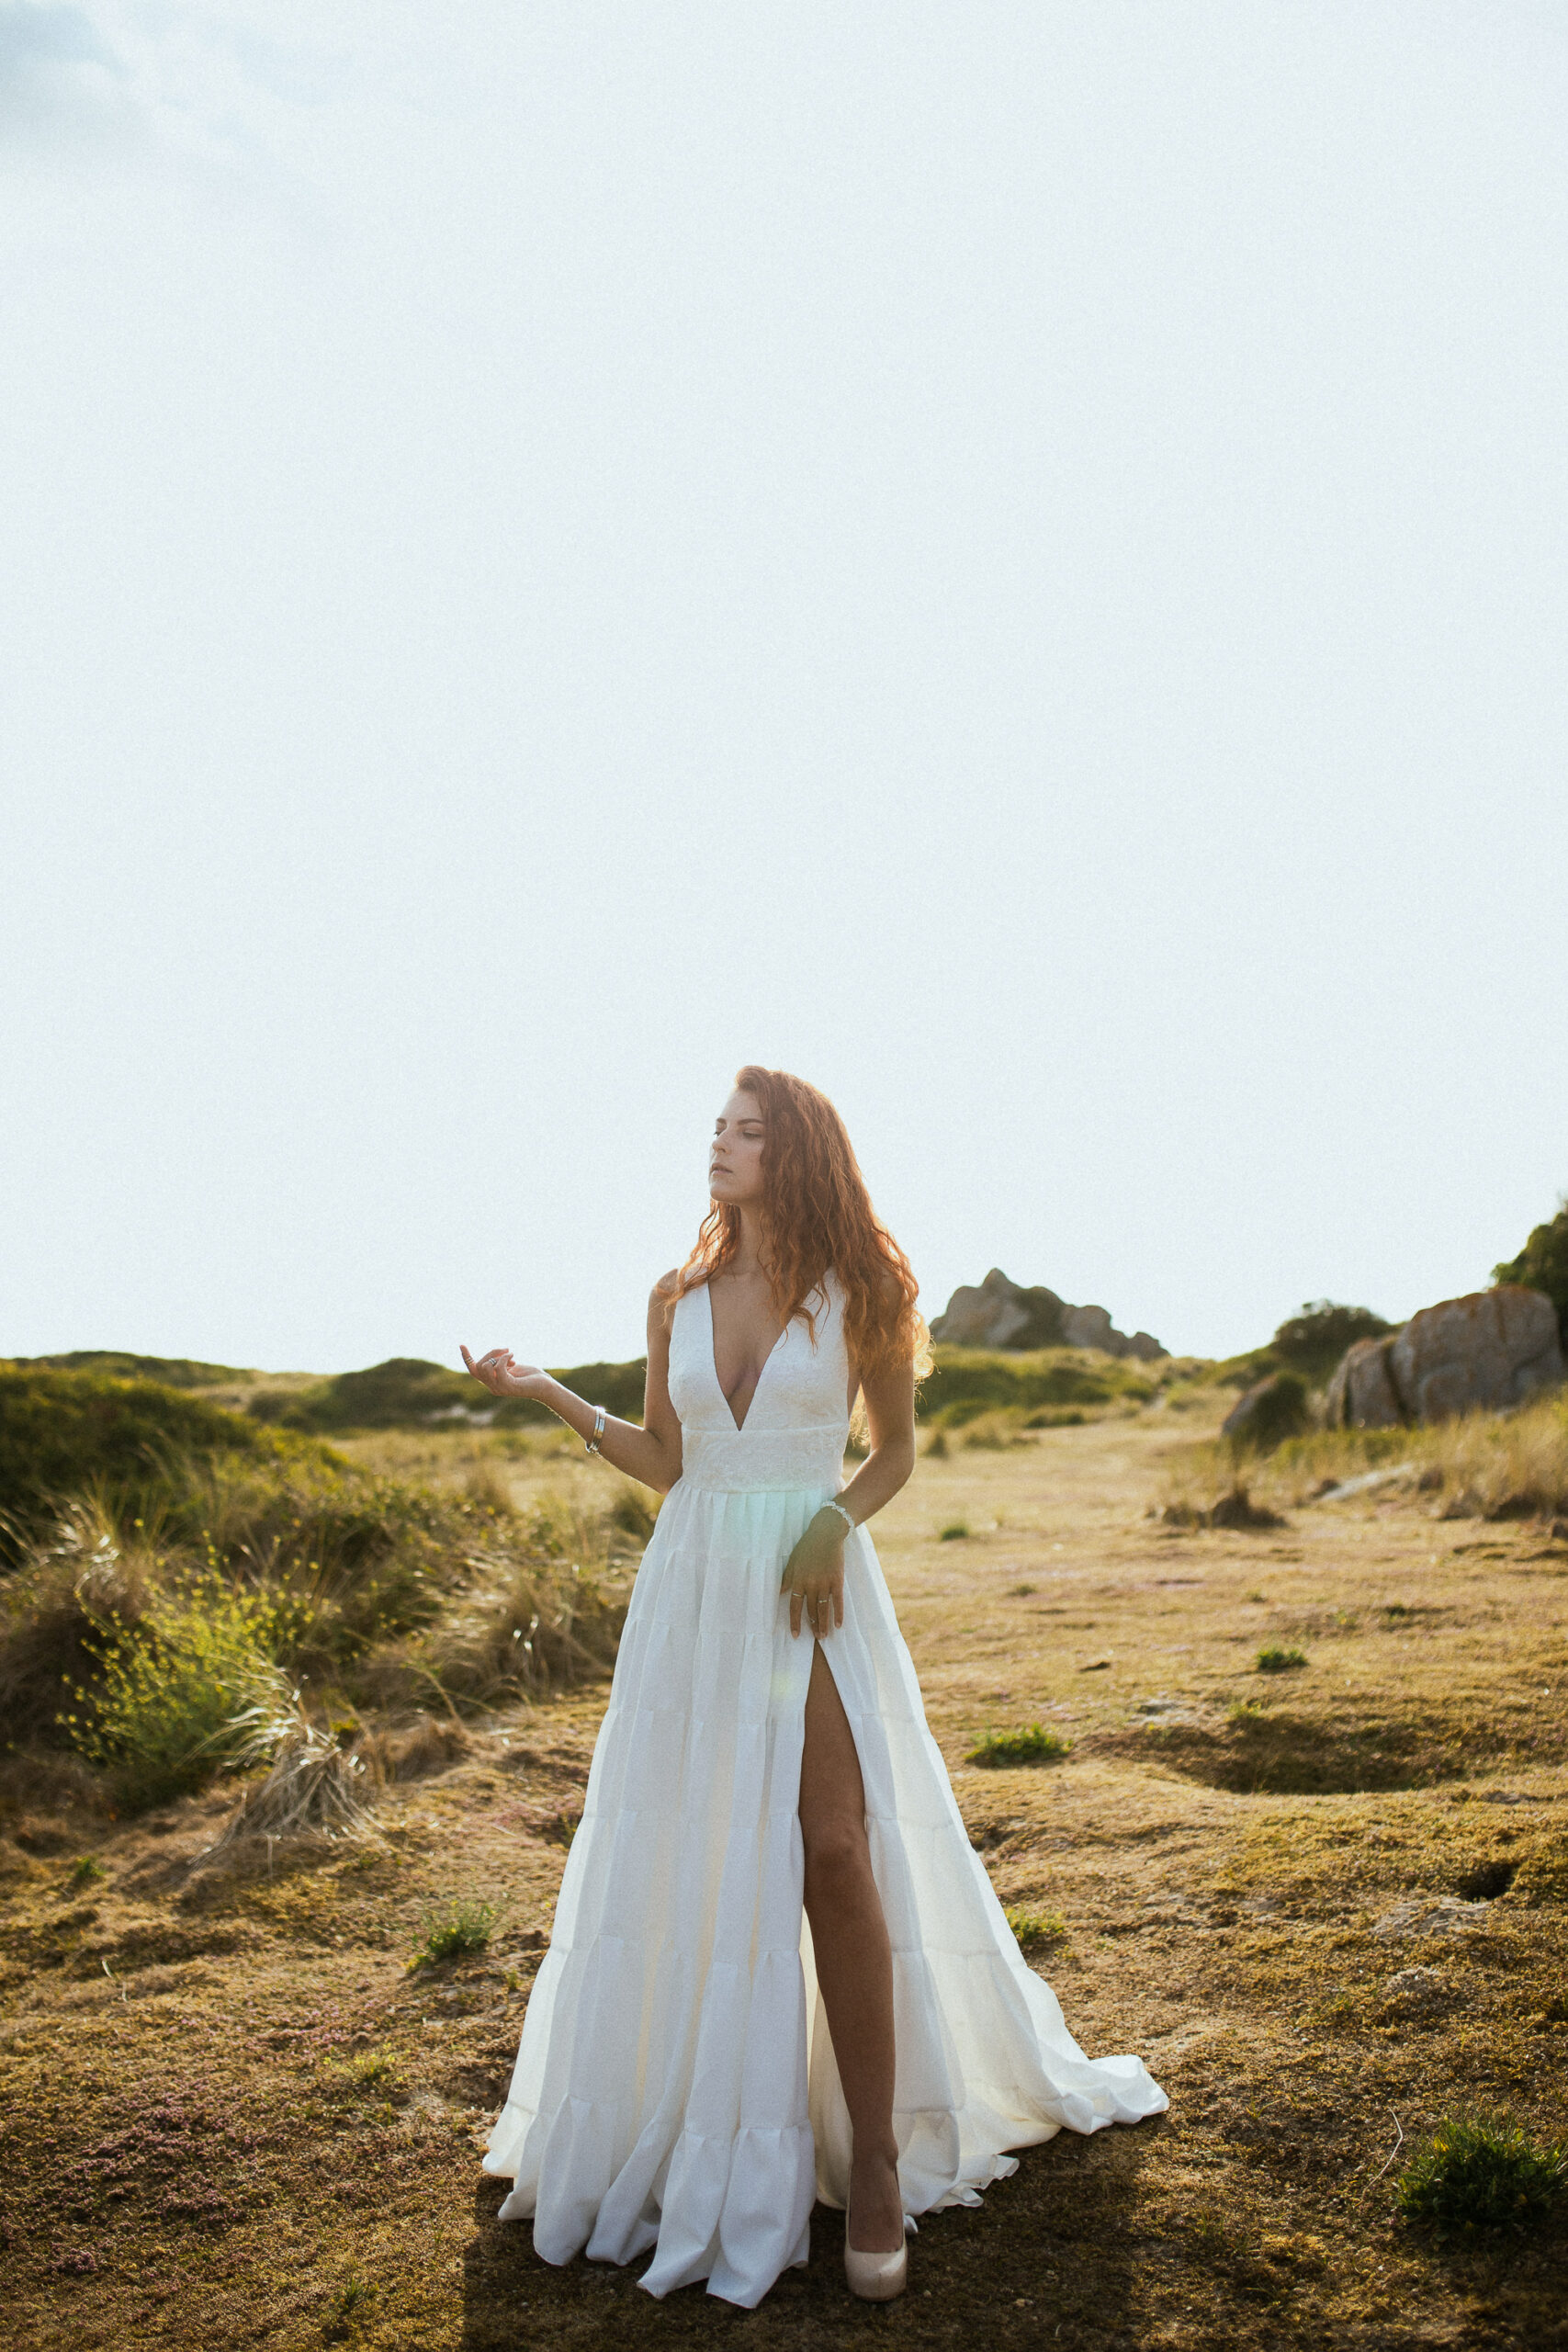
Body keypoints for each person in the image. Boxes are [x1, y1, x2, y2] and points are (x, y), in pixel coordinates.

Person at [462, 1066, 1166, 2309]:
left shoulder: (870, 1290)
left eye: (746, 1129)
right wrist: (543, 1396)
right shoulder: (673, 1294)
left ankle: (881, 2158)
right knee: (704, 1864)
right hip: (692, 1596)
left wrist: (836, 1522)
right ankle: (710, 2131)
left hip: (810, 1588)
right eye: (715, 1127)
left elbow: (894, 1453)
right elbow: (669, 1463)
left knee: (834, 1851)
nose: (720, 1146)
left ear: (797, 1149)